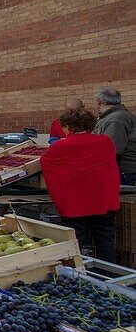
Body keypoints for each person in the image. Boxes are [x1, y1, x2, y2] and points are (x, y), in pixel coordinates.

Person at [41, 108, 120, 263]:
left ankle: (81, 276)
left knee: (78, 242)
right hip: (103, 200)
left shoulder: (60, 147)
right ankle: (110, 275)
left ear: (68, 126)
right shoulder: (105, 141)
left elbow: (46, 163)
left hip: (75, 204)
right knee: (105, 239)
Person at [93, 87, 136, 186]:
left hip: (125, 172)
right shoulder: (118, 116)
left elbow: (113, 150)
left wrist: (108, 174)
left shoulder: (115, 119)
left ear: (99, 102)